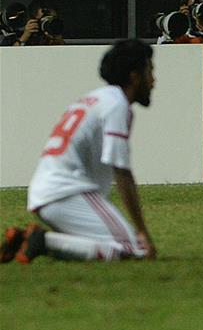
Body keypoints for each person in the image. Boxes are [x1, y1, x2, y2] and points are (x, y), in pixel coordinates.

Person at [1, 40, 158, 263]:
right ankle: (43, 241)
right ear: (134, 76)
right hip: (68, 193)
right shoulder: (117, 105)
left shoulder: (97, 98)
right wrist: (143, 231)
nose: (153, 81)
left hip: (47, 193)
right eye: (149, 72)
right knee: (135, 249)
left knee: (109, 247)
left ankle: (31, 240)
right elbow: (121, 172)